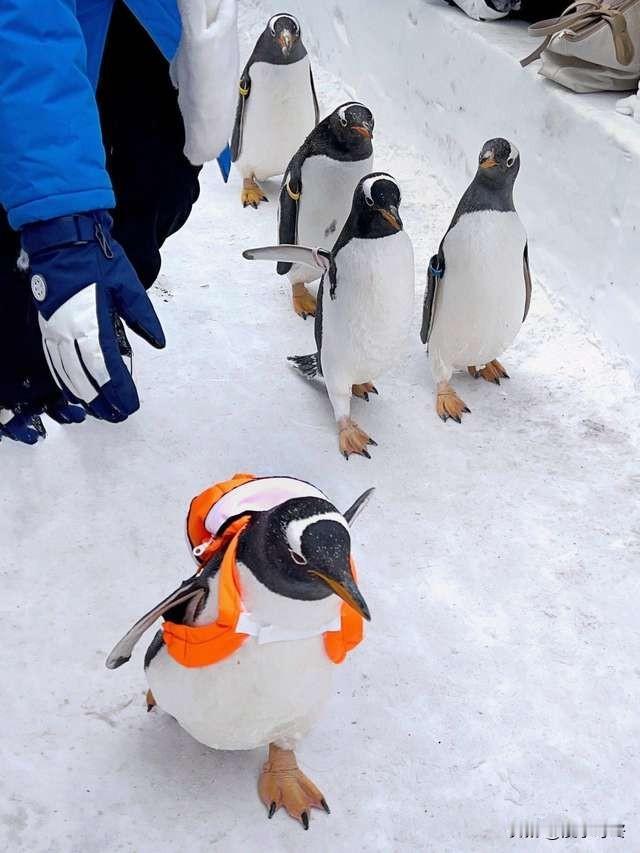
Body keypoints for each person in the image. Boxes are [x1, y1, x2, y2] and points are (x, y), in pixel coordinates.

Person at [0, 0, 238, 444]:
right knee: (34, 215)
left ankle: (89, 324)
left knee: (146, 214)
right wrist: (62, 228)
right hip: (47, 41)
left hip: (163, 33)